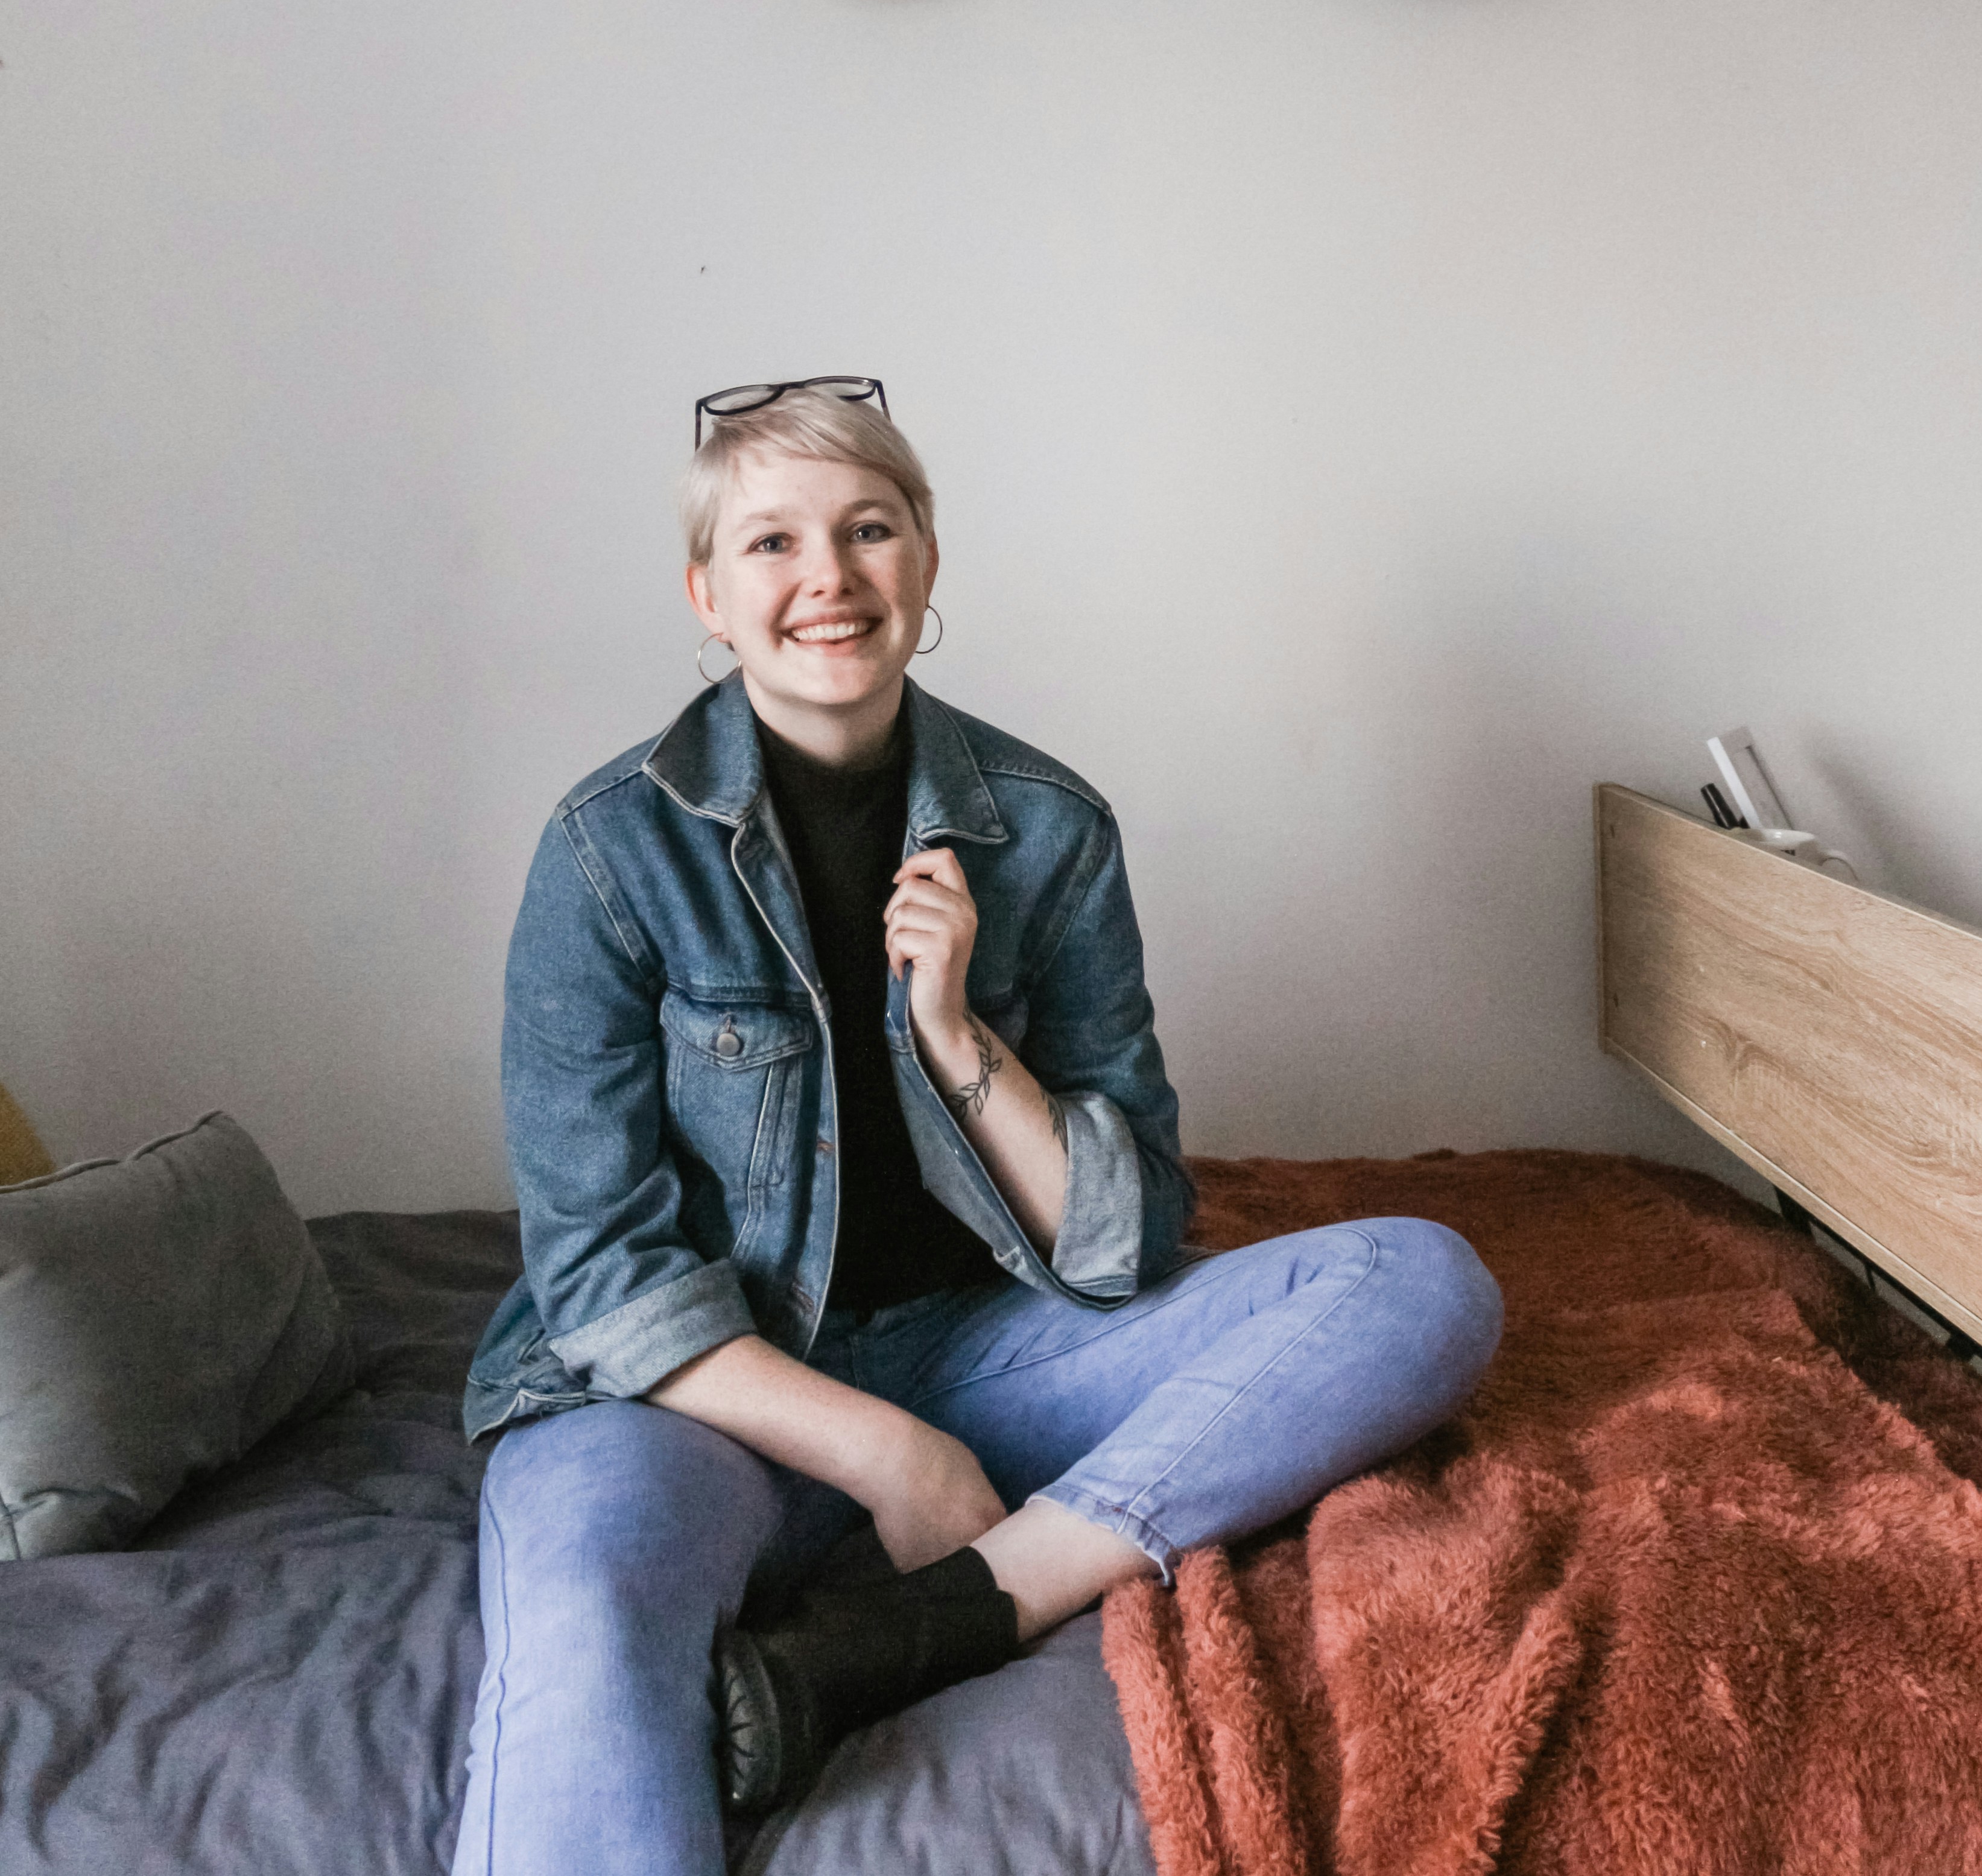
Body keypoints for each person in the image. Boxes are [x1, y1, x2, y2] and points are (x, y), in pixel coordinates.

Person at [452, 379, 1503, 1876]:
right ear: (708, 592)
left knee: (1422, 1282)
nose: (827, 575)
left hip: (980, 1351)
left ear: (925, 560)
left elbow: (1130, 1233)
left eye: (868, 527)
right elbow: (604, 1280)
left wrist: (957, 1037)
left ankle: (962, 1606)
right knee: (585, 1621)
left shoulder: (1046, 826)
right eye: (771, 542)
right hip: (683, 1399)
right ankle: (930, 1559)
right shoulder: (606, 851)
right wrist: (895, 1460)